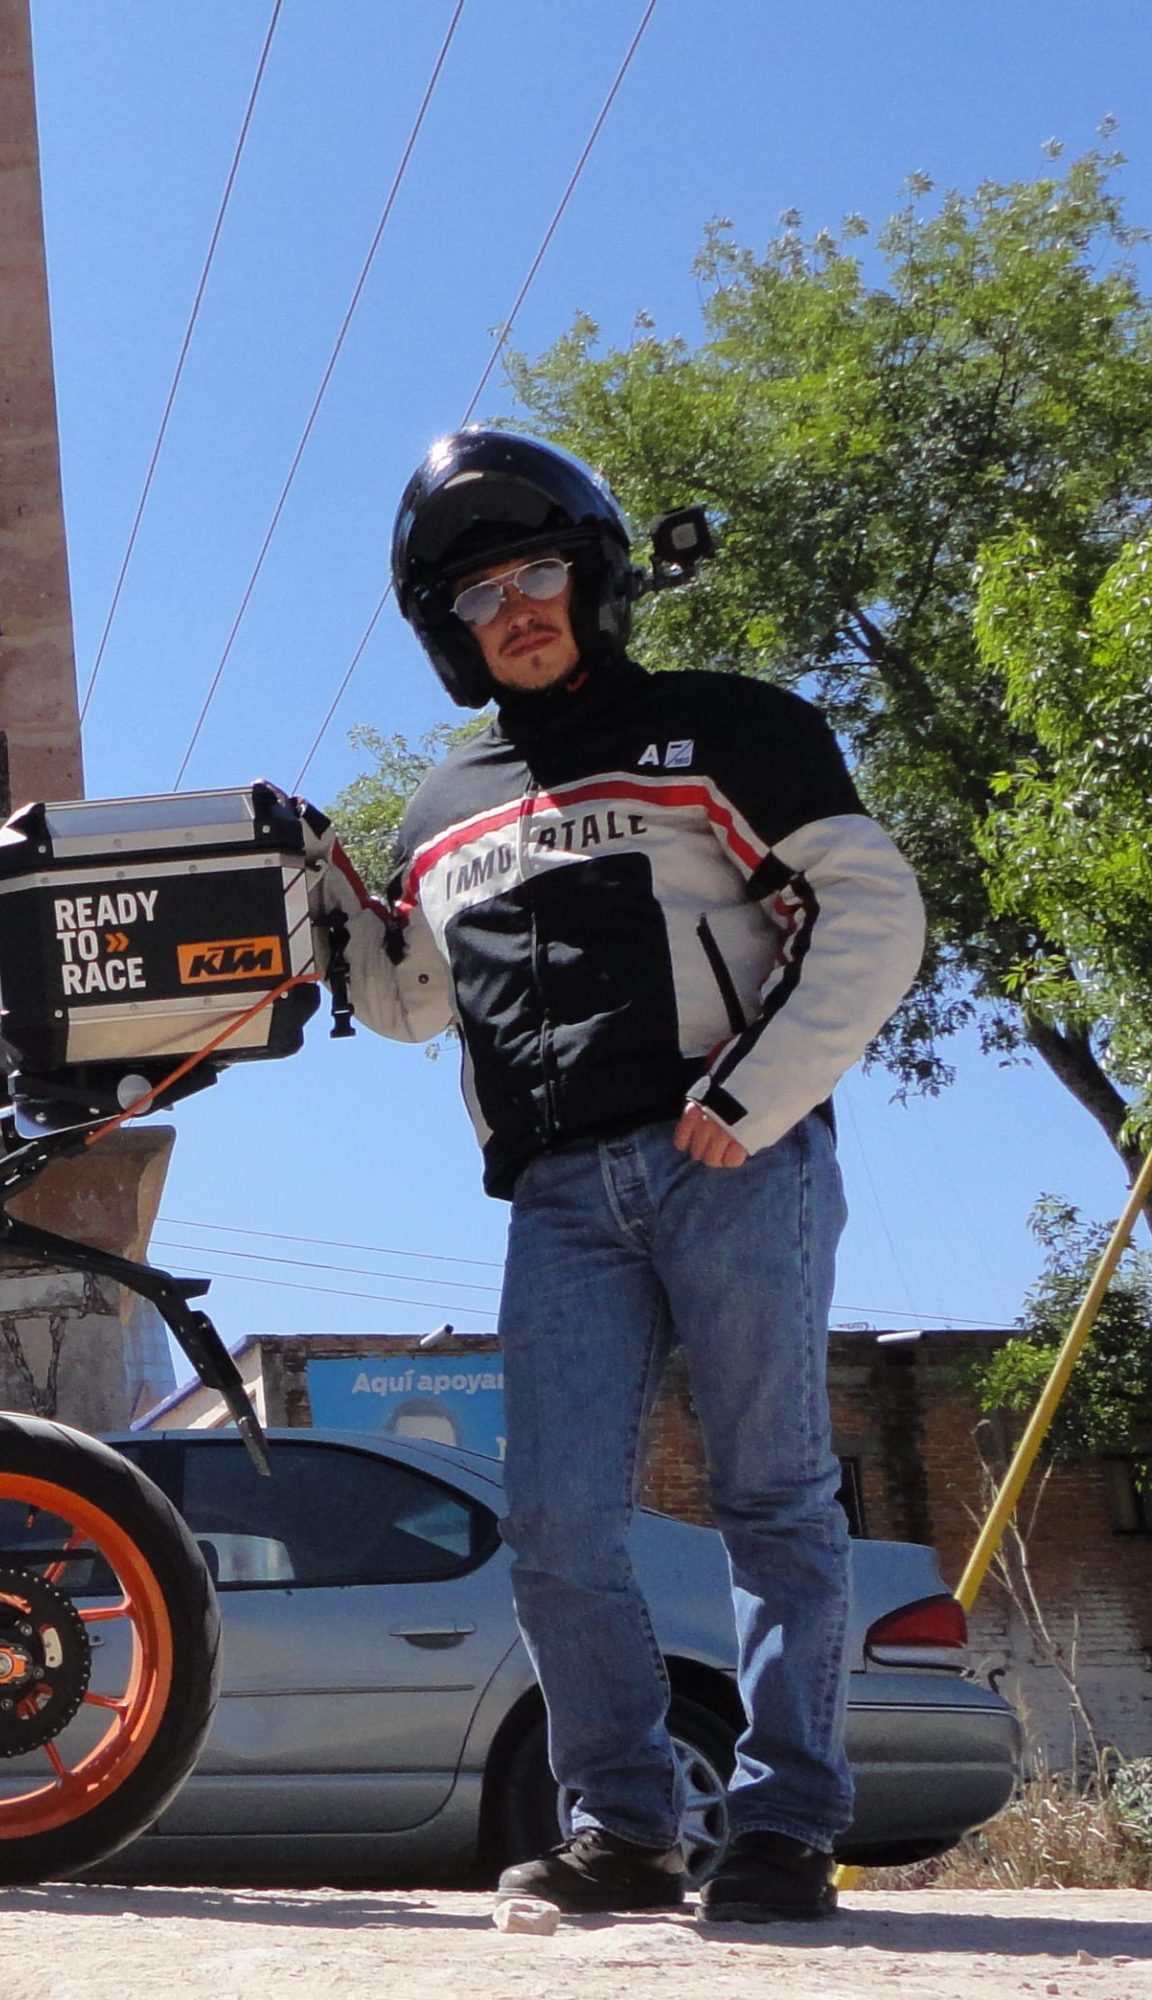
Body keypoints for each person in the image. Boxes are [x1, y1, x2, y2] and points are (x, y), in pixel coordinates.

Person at [290, 429, 926, 1922]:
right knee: (560, 1522)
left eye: (537, 571)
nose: (512, 607)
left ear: (596, 574)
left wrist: (757, 1096)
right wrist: (325, 897)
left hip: (735, 1161)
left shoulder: (729, 730)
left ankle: (784, 1829)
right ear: (446, 632)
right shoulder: (443, 809)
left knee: (774, 1497)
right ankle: (629, 1828)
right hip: (559, 1200)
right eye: (476, 594)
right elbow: (412, 1005)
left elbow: (874, 913)